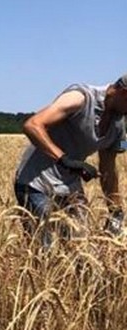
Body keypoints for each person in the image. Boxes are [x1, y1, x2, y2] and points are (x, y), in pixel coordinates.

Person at [14, 74, 127, 247]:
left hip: (69, 187)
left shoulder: (118, 125)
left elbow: (108, 170)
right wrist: (64, 160)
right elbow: (33, 125)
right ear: (123, 93)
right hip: (36, 183)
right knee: (46, 249)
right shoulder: (81, 97)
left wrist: (115, 209)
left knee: (81, 248)